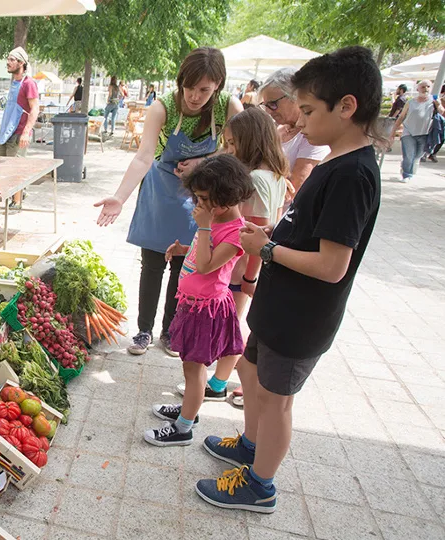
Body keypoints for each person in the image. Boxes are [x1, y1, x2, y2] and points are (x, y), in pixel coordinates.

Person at [195, 45, 382, 514]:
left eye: (308, 109)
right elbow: (310, 231)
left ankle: (261, 486)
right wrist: (274, 234)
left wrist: (268, 249)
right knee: (249, 372)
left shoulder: (354, 174)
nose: (298, 119)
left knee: (277, 400)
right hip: (280, 306)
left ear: (347, 106)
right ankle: (250, 447)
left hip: (303, 316)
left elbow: (332, 265)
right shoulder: (333, 163)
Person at [94, 47, 243, 356]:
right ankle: (143, 331)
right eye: (189, 87)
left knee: (182, 265)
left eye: (204, 89)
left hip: (199, 197)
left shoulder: (229, 107)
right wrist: (120, 198)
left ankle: (170, 332)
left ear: (218, 85)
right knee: (151, 264)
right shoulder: (162, 107)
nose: (194, 96)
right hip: (160, 190)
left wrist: (203, 162)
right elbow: (144, 155)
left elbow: (238, 149)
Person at [174, 107, 289, 405]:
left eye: (233, 143)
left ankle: (218, 383)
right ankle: (214, 383)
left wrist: (251, 275)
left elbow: (257, 232)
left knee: (232, 332)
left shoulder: (257, 180)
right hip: (232, 268)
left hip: (234, 272)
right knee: (231, 330)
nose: (228, 149)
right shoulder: (273, 175)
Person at [144, 155, 253, 446]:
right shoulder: (214, 220)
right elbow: (199, 254)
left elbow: (207, 266)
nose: (198, 205)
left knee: (194, 371)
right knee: (190, 368)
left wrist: (203, 226)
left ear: (225, 199)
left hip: (205, 310)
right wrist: (183, 250)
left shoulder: (235, 233)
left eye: (204, 199)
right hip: (192, 303)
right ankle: (189, 411)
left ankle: (183, 428)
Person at [259, 69, 329, 194]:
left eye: (273, 104)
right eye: (265, 105)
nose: (269, 111)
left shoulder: (312, 136)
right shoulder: (280, 129)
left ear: (295, 97)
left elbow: (294, 188)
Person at [0, 47, 39, 210]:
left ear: (21, 63)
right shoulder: (14, 82)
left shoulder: (29, 83)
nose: (8, 62)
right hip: (7, 132)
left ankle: (18, 201)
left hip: (19, 131)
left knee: (16, 168)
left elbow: (35, 108)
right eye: (8, 58)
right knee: (1, 166)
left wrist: (26, 132)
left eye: (12, 59)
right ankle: (16, 194)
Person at [392, 80, 444, 182]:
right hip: (408, 132)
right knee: (409, 155)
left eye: (428, 86)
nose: (426, 89)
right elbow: (402, 117)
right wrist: (393, 131)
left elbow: (442, 112)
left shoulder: (434, 101)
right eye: (423, 87)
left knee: (417, 156)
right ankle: (407, 175)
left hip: (424, 133)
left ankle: (406, 166)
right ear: (418, 89)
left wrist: (438, 104)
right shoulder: (410, 102)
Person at [426, 93, 445, 162]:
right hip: (433, 121)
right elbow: (442, 111)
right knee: (430, 137)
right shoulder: (438, 99)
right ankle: (426, 153)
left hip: (440, 122)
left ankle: (432, 154)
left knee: (441, 139)